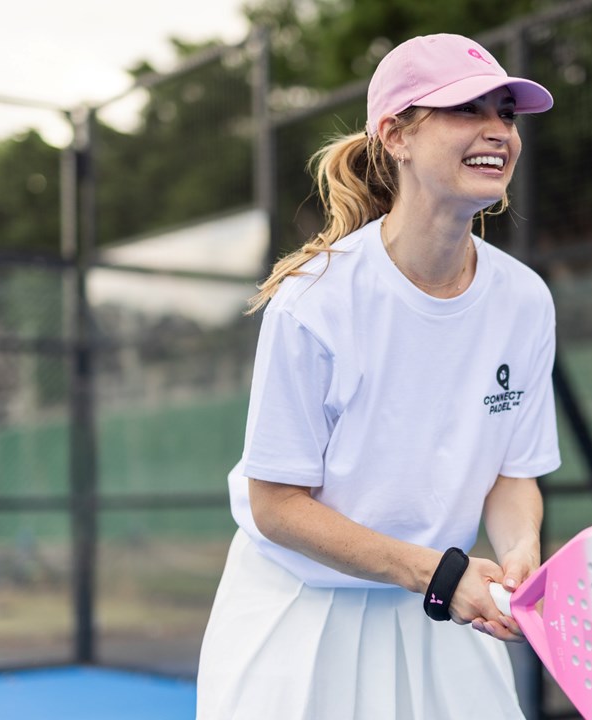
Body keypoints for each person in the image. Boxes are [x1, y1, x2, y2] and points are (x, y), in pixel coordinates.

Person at [196, 32, 560, 720]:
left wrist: (518, 556)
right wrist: (439, 575)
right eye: (466, 110)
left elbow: (513, 472)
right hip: (300, 615)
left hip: (435, 607)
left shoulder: (525, 300)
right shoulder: (313, 301)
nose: (497, 132)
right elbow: (277, 505)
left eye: (506, 114)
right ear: (395, 135)